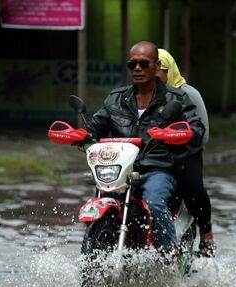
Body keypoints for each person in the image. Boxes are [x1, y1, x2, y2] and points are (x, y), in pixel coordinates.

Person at [85, 41, 205, 258]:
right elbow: (97, 123)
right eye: (132, 64)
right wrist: (82, 134)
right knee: (99, 197)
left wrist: (183, 132)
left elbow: (196, 127)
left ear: (157, 65)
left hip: (157, 168)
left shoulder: (176, 98)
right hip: (120, 168)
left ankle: (169, 255)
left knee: (154, 202)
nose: (137, 69)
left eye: (143, 63)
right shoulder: (116, 98)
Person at [157, 48, 216, 257]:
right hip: (151, 154)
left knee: (192, 187)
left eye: (160, 69)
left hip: (186, 153)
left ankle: (206, 233)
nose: (155, 73)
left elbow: (203, 133)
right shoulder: (142, 95)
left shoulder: (189, 94)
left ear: (169, 69)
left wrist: (179, 140)